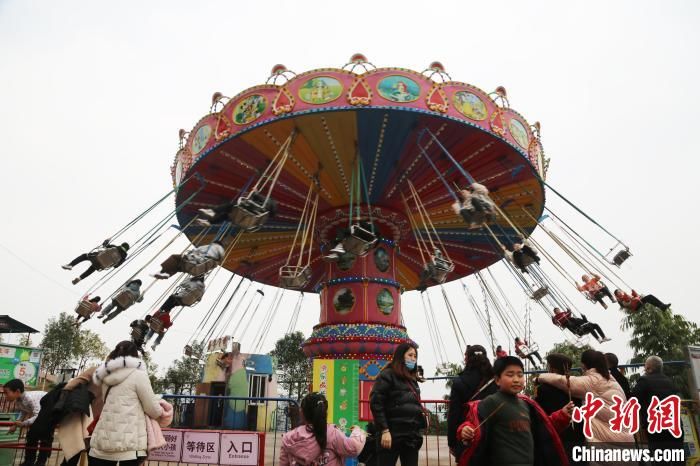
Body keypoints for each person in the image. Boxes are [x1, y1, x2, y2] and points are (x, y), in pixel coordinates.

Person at [457, 356, 574, 466]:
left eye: (520, 375)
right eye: (510, 375)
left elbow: (544, 427)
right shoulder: (492, 402)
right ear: (497, 380)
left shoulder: (526, 404)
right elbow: (473, 422)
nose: (516, 380)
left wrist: (563, 414)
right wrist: (465, 430)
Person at [537, 349, 634, 445]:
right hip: (622, 435)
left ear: (584, 364)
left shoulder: (592, 382)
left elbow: (562, 381)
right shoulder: (610, 379)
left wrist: (539, 378)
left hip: (608, 440)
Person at [89, 340, 163, 465]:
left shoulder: (106, 378)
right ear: (135, 357)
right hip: (128, 449)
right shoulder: (139, 376)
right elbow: (154, 410)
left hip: (99, 448)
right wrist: (161, 406)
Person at [369, 343, 425, 466]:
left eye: (415, 356)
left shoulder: (412, 379)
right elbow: (376, 403)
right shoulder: (387, 375)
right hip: (391, 435)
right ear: (401, 356)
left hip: (410, 436)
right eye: (410, 355)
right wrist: (384, 430)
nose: (413, 359)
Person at [279, 392, 366, 466]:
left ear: (302, 412)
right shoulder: (332, 433)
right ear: (324, 412)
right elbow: (353, 447)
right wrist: (358, 431)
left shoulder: (288, 438)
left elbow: (283, 463)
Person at [534, 353, 587, 466]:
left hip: (556, 438)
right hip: (577, 437)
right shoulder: (576, 388)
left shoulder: (543, 389)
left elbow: (539, 414)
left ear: (552, 368)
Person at [631, 356, 684, 465]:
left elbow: (633, 400)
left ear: (649, 368)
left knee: (660, 459)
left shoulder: (644, 381)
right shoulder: (669, 381)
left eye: (645, 366)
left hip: (656, 427)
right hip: (675, 425)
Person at [447, 345, 498, 459]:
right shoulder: (495, 381)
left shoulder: (459, 382)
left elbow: (454, 414)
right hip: (491, 437)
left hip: (467, 435)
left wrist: (452, 442)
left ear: (468, 359)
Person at [3, 379, 49, 466]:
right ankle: (29, 462)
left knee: (45, 438)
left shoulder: (29, 398)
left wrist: (24, 423)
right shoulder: (18, 400)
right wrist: (15, 425)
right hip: (41, 415)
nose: (5, 396)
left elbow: (37, 415)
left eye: (6, 393)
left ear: (17, 391)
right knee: (31, 437)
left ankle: (40, 463)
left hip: (48, 412)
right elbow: (24, 411)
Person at [62, 241, 130, 285]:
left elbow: (104, 245)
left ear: (121, 245)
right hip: (102, 265)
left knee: (84, 256)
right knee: (91, 269)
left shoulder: (114, 247)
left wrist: (106, 241)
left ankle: (71, 265)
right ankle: (80, 278)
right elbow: (116, 266)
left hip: (97, 257)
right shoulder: (122, 258)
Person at [197, 191, 278, 227]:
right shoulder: (266, 215)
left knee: (228, 206)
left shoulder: (268, 201)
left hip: (246, 212)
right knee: (226, 216)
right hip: (248, 222)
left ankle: (212, 211)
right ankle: (209, 222)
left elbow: (256, 195)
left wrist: (254, 192)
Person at [152, 241, 226, 279]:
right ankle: (166, 274)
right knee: (179, 266)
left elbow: (195, 251)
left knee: (175, 258)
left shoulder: (210, 247)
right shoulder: (218, 257)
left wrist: (188, 256)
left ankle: (164, 272)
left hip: (194, 262)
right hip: (198, 270)